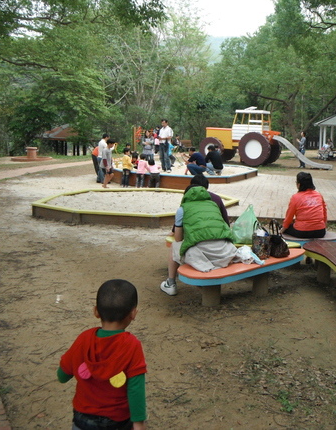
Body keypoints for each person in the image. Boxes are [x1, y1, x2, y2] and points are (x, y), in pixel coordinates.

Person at [57, 279, 147, 430]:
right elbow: (136, 388)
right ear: (133, 314)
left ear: (96, 312)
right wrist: (138, 423)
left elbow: (62, 375)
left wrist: (64, 373)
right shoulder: (132, 345)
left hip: (83, 419)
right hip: (118, 420)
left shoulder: (84, 339)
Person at [160, 184, 237, 295]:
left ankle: (170, 284)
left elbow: (178, 238)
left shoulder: (183, 209)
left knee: (174, 246)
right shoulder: (213, 205)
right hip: (226, 252)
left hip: (205, 255)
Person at [282, 172, 327, 238]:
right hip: (320, 231)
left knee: (287, 227)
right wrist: (323, 225)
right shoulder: (318, 195)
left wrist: (282, 229)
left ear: (299, 184)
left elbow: (289, 217)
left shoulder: (295, 197)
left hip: (302, 231)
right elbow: (324, 213)